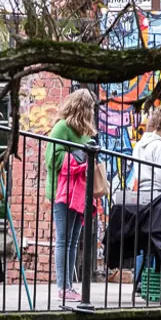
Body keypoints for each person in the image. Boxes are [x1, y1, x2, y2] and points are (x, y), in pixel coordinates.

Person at [44, 88, 97, 301]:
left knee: (74, 240)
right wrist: (78, 156)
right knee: (63, 240)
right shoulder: (62, 128)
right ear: (82, 108)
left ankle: (69, 287)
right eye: (90, 108)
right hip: (62, 191)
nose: (92, 112)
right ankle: (62, 287)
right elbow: (51, 159)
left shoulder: (84, 131)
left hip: (79, 192)